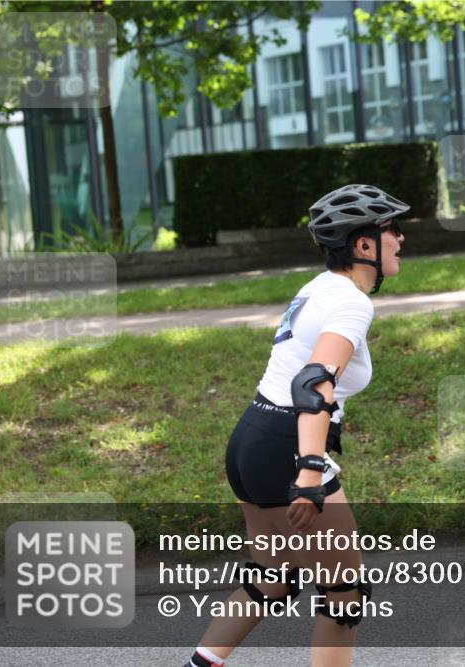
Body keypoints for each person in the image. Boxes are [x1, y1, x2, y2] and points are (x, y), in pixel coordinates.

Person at [184, 184, 409, 667]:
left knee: (273, 576)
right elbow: (313, 382)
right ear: (364, 245)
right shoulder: (352, 303)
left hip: (251, 441)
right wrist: (309, 471)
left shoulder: (317, 288)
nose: (401, 239)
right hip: (289, 447)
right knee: (345, 595)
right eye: (392, 229)